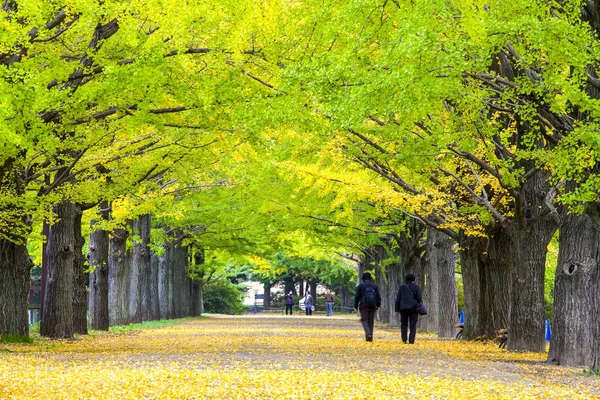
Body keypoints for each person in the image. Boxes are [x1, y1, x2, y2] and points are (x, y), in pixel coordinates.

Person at [395, 273, 422, 344]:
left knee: (404, 324)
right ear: (413, 279)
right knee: (413, 325)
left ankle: (404, 339)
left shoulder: (402, 287)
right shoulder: (416, 287)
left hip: (403, 308)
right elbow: (419, 298)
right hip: (413, 308)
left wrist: (396, 309)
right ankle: (411, 340)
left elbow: (398, 299)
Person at [354, 272, 381, 342]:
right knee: (370, 321)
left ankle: (368, 332)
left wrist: (355, 306)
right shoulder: (374, 286)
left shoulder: (361, 286)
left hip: (364, 305)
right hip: (373, 305)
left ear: (363, 278)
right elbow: (378, 296)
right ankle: (370, 338)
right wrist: (378, 305)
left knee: (364, 320)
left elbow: (357, 297)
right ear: (370, 278)